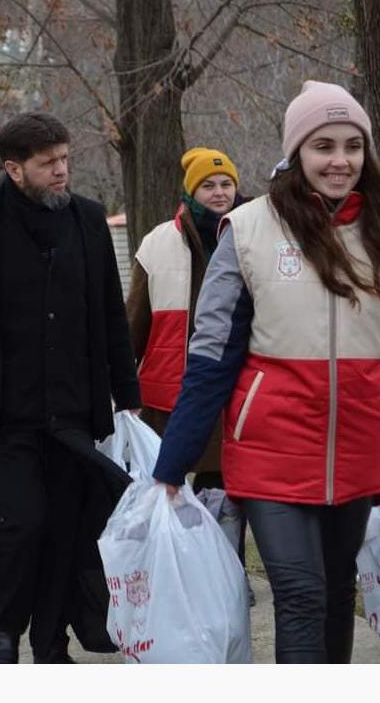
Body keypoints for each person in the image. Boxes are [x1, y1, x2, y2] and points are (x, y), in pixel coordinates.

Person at [152, 81, 380, 663]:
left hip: (360, 445)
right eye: (323, 146)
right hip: (271, 448)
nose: (340, 161)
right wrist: (175, 458)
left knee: (337, 593)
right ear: (296, 152)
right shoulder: (248, 230)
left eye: (352, 147)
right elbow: (211, 355)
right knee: (300, 593)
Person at [0, 112, 141, 664]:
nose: (61, 170)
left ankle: (51, 640)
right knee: (25, 521)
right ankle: (6, 629)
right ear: (14, 169)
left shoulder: (87, 221)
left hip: (74, 408)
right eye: (48, 163)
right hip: (5, 410)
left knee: (65, 528)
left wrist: (127, 394)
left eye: (65, 159)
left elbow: (111, 312)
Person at [125, 146, 254, 601]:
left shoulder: (252, 233)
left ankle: (229, 573)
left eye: (226, 184)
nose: (219, 192)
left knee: (225, 491)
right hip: (169, 391)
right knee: (172, 486)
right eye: (208, 185)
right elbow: (135, 320)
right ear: (190, 192)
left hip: (231, 387)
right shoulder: (158, 242)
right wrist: (123, 383)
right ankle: (176, 571)